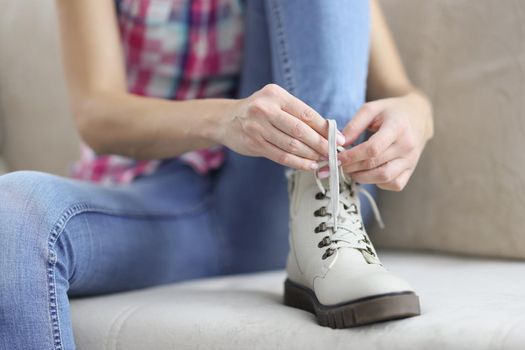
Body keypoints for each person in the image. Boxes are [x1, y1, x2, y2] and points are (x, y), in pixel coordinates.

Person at [0, 0, 433, 348]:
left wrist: (414, 116)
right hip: (155, 209)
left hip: (277, 205)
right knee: (14, 212)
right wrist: (225, 120)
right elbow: (97, 113)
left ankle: (328, 219)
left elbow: (401, 91)